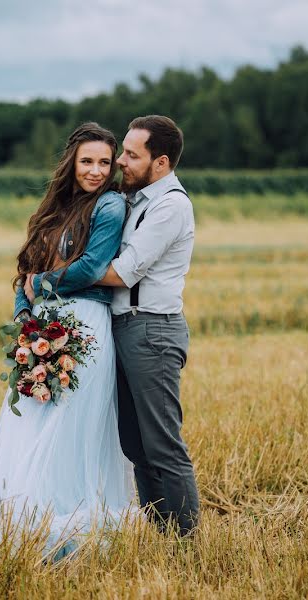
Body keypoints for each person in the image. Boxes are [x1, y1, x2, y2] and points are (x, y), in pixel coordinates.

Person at [0, 122, 135, 561]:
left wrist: (40, 284)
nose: (97, 170)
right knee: (30, 415)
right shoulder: (55, 209)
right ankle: (21, 511)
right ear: (72, 163)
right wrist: (23, 316)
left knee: (70, 422)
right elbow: (25, 268)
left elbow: (90, 268)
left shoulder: (109, 207)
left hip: (84, 319)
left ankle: (63, 511)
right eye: (88, 161)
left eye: (105, 162)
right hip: (42, 323)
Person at [96, 115, 200, 536]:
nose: (121, 160)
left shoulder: (171, 206)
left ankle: (186, 542)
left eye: (131, 155)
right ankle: (162, 534)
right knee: (135, 445)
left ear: (160, 162)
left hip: (152, 331)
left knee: (163, 446)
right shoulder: (137, 198)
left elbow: (123, 274)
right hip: (126, 328)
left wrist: (59, 272)